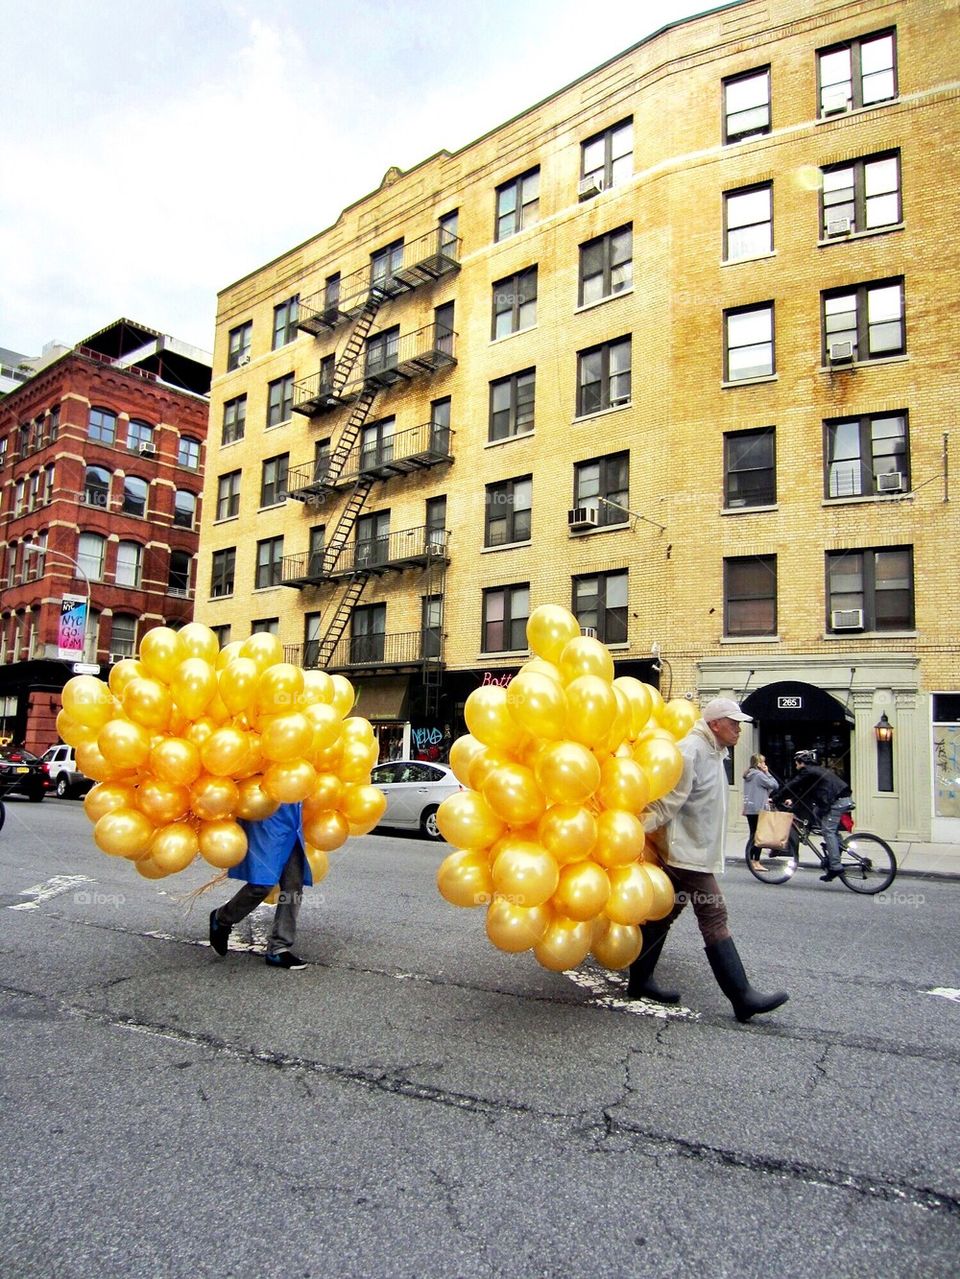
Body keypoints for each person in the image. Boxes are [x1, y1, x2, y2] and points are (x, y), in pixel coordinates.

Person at [626, 697, 789, 1023]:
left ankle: (639, 981)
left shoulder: (714, 751)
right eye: (733, 723)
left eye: (739, 724)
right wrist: (629, 831)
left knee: (662, 914)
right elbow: (666, 804)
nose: (739, 730)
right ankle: (742, 997)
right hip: (685, 854)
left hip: (695, 850)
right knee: (714, 913)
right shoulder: (691, 752)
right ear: (715, 723)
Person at [208, 801, 312, 970]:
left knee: (293, 886)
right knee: (262, 884)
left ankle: (279, 948)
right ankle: (222, 918)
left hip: (292, 816)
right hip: (265, 817)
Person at [773, 750, 853, 881]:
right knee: (818, 815)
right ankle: (836, 847)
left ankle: (835, 866)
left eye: (796, 762)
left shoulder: (808, 771)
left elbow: (792, 785)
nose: (795, 765)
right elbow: (804, 791)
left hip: (837, 801)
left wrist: (776, 798)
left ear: (800, 762)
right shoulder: (815, 771)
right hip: (838, 799)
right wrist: (792, 800)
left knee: (828, 831)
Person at [742, 753, 779, 861]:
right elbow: (775, 785)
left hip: (750, 808)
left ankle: (750, 859)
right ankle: (756, 861)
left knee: (753, 835)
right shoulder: (759, 775)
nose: (764, 764)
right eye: (763, 762)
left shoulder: (748, 775)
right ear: (758, 764)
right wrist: (767, 772)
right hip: (759, 809)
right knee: (759, 836)